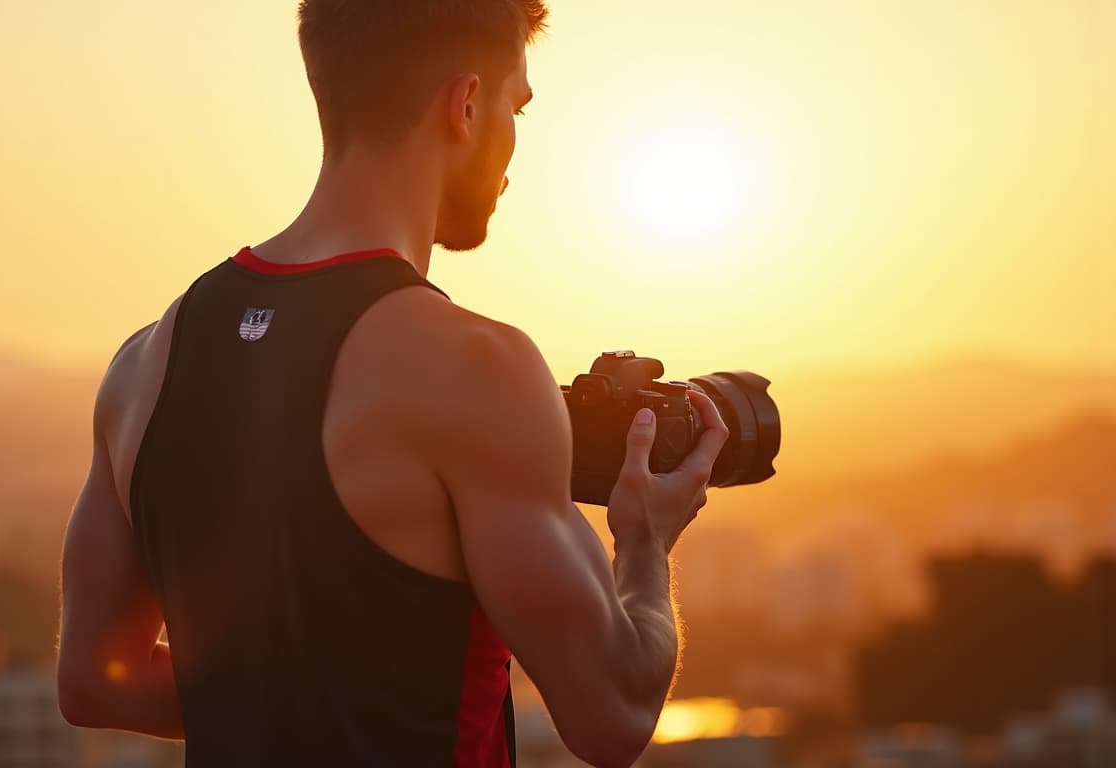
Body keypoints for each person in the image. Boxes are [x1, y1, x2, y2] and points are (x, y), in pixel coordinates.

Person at [55, 2, 729, 766]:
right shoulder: (479, 370)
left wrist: (287, 684)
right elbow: (614, 711)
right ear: (466, 105)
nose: (514, 140)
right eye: (516, 106)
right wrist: (645, 543)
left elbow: (93, 681)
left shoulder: (145, 362)